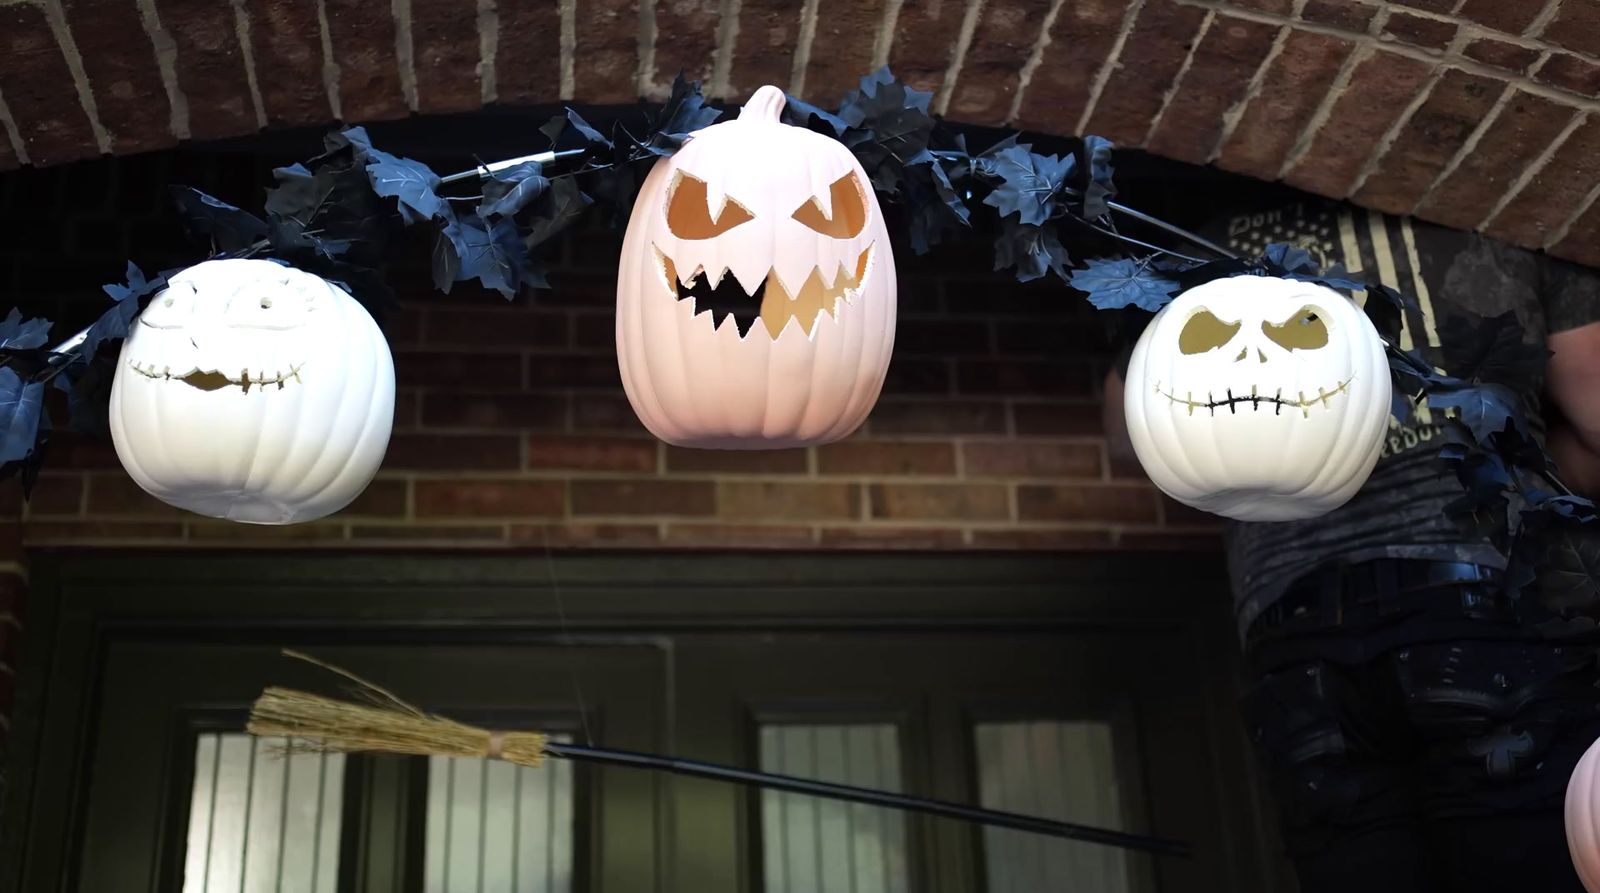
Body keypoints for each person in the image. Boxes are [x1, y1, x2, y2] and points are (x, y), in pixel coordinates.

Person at [1102, 197, 1600, 892]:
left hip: (1295, 623)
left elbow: (1132, 436)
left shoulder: (1194, 247)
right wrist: (1541, 465)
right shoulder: (1507, 210)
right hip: (1491, 591)